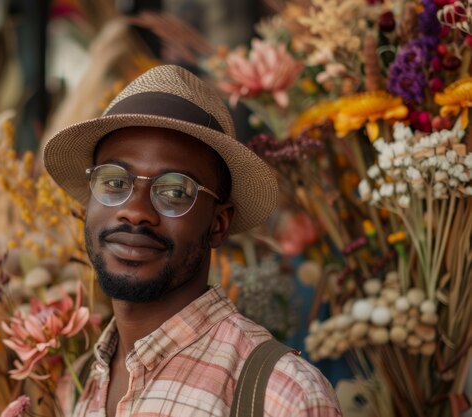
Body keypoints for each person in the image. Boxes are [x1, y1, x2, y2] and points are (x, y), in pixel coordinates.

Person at [44, 65, 341, 417]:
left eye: (174, 191)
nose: (135, 212)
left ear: (218, 224)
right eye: (114, 182)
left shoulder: (282, 395)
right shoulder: (77, 385)